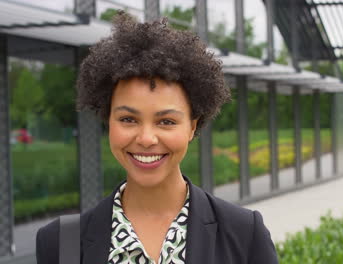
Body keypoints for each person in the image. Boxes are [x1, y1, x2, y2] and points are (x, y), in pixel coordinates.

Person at [35, 11, 278, 264]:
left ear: (192, 127)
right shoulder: (60, 243)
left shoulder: (244, 234)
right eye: (128, 119)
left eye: (166, 121)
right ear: (108, 122)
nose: (147, 138)